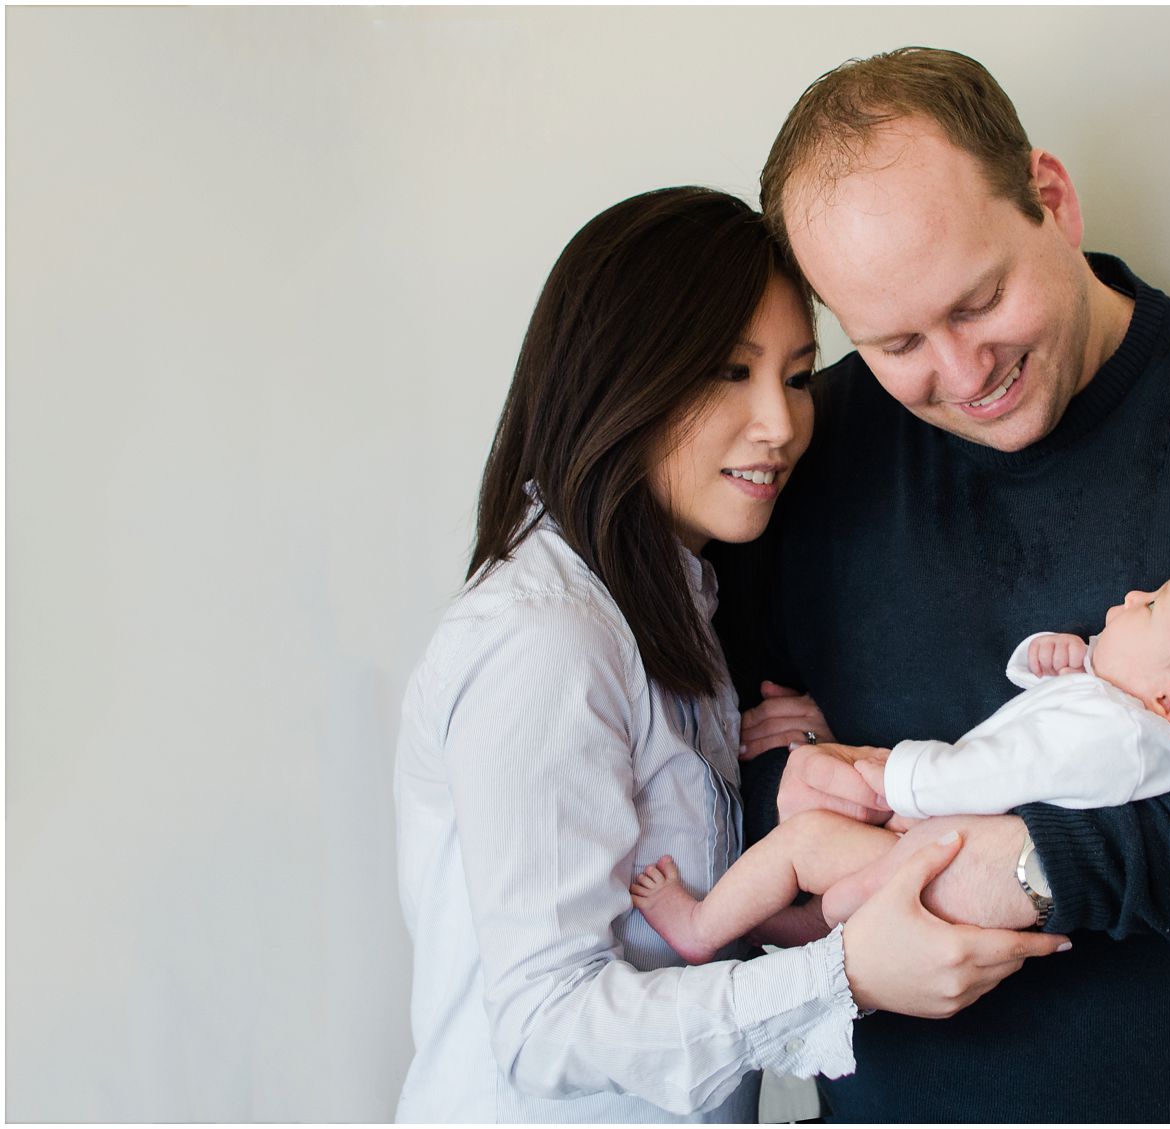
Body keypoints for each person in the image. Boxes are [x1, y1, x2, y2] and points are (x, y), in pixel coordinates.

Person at [712, 47, 1170, 1121]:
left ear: (1048, 200)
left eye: (979, 302)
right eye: (895, 343)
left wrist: (1037, 865)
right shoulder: (802, 457)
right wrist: (778, 789)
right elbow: (693, 773)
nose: (962, 377)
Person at [391, 187, 1067, 1123]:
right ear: (618, 377)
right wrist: (846, 977)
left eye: (796, 375)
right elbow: (546, 1028)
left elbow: (678, 933)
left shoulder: (673, 607)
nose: (781, 424)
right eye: (727, 372)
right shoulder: (544, 635)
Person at [631, 559, 1170, 963]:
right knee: (839, 900)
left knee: (809, 844)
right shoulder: (1140, 728)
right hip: (943, 853)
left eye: (1154, 606)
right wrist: (1063, 658)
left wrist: (896, 774)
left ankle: (702, 927)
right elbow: (1047, 715)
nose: (1136, 595)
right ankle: (764, 924)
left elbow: (1006, 762)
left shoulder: (1114, 734)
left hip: (942, 836)